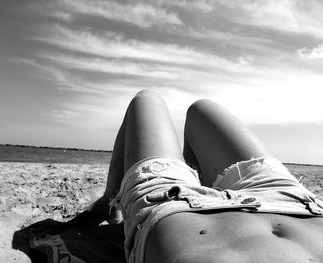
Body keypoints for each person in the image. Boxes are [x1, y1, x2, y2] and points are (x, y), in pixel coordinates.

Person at [28, 90, 323, 263]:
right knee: (201, 109)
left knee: (147, 100)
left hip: (176, 211)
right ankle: (195, 183)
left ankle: (111, 201)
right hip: (295, 202)